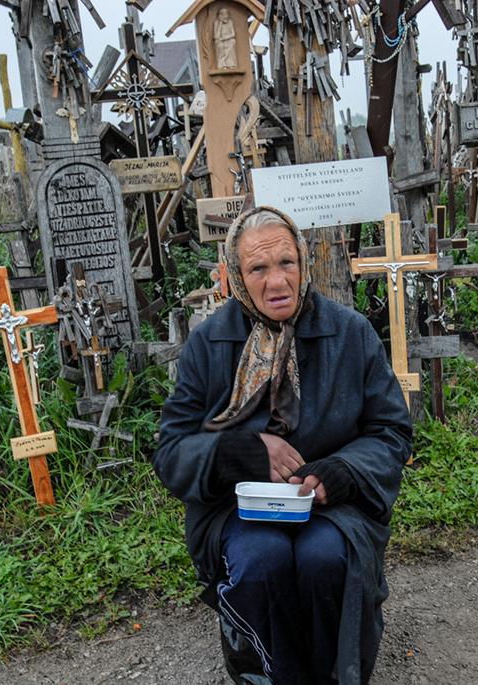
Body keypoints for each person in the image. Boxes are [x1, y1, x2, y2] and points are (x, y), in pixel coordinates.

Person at [154, 206, 413, 685]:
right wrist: (244, 453)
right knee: (261, 561)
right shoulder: (210, 344)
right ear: (234, 277)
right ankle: (269, 675)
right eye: (258, 268)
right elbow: (171, 454)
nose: (277, 281)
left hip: (335, 505)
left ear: (303, 262)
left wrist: (340, 472)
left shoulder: (350, 333)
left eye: (286, 263)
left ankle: (333, 675)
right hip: (237, 508)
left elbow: (391, 432)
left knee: (323, 559)